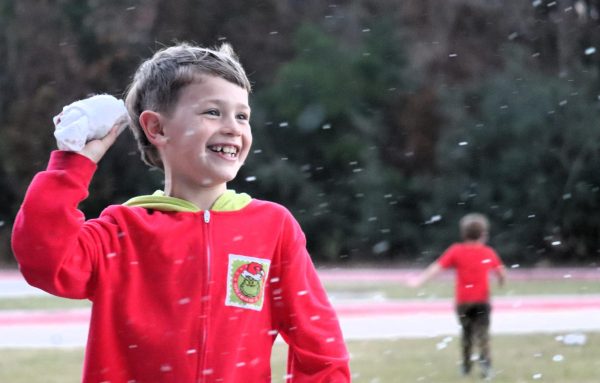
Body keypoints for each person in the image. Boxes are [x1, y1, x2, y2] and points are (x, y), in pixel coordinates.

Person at [12, 42, 350, 382]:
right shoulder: (121, 231)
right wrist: (74, 164)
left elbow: (321, 348)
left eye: (242, 115)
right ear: (157, 129)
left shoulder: (273, 228)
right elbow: (43, 258)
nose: (233, 126)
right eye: (212, 112)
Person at [408, 213, 506, 379]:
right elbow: (501, 272)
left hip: (463, 301)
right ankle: (486, 366)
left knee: (466, 334)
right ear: (483, 234)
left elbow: (437, 267)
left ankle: (466, 366)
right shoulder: (487, 252)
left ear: (463, 233)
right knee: (483, 335)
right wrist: (501, 282)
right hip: (482, 300)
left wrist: (419, 281)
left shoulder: (456, 251)